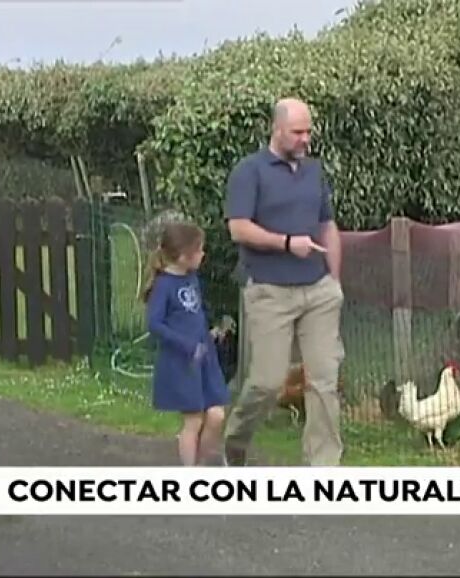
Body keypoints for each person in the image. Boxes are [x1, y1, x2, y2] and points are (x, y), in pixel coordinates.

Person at [221, 97, 345, 467]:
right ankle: (235, 441)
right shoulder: (249, 172)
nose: (305, 139)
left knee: (324, 380)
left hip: (319, 290)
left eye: (309, 132)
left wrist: (335, 279)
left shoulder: (315, 172)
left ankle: (323, 467)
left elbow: (328, 224)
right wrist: (288, 244)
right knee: (267, 382)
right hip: (270, 290)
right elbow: (238, 228)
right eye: (297, 132)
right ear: (277, 130)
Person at [143, 221, 231, 466]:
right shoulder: (164, 286)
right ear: (183, 256)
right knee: (194, 420)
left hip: (204, 358)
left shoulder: (192, 278)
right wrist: (186, 345)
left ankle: (200, 466)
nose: (203, 254)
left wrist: (209, 333)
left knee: (216, 415)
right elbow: (155, 324)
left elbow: (194, 315)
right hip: (182, 362)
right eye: (199, 249)